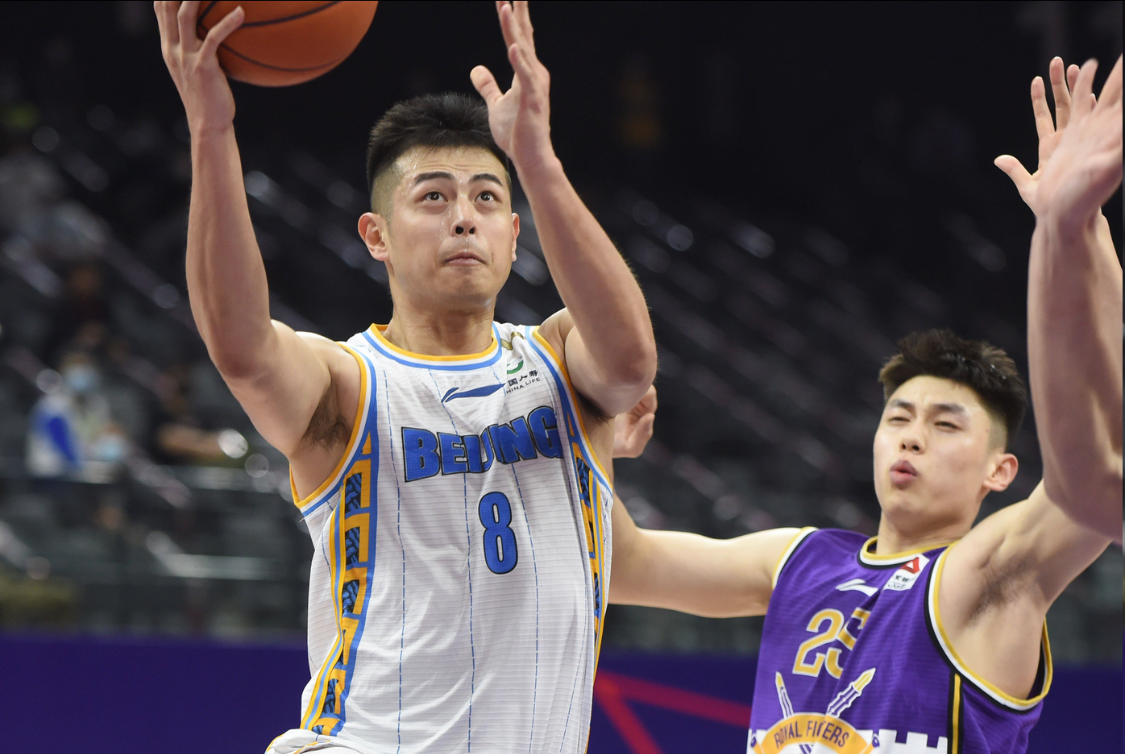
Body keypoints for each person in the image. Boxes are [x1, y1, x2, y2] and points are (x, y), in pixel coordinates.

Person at [154, 1, 656, 753]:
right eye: (433, 197)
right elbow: (241, 346)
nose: (465, 217)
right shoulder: (347, 381)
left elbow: (630, 361)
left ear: (514, 234)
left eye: (487, 198)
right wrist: (210, 128)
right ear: (376, 236)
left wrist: (537, 161)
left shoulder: (559, 358)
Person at [609, 55, 1122, 754]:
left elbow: (1099, 460)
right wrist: (590, 433)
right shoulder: (799, 561)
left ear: (999, 471)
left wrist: (1077, 230)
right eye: (898, 419)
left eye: (944, 425)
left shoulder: (990, 575)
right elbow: (623, 563)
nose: (910, 438)